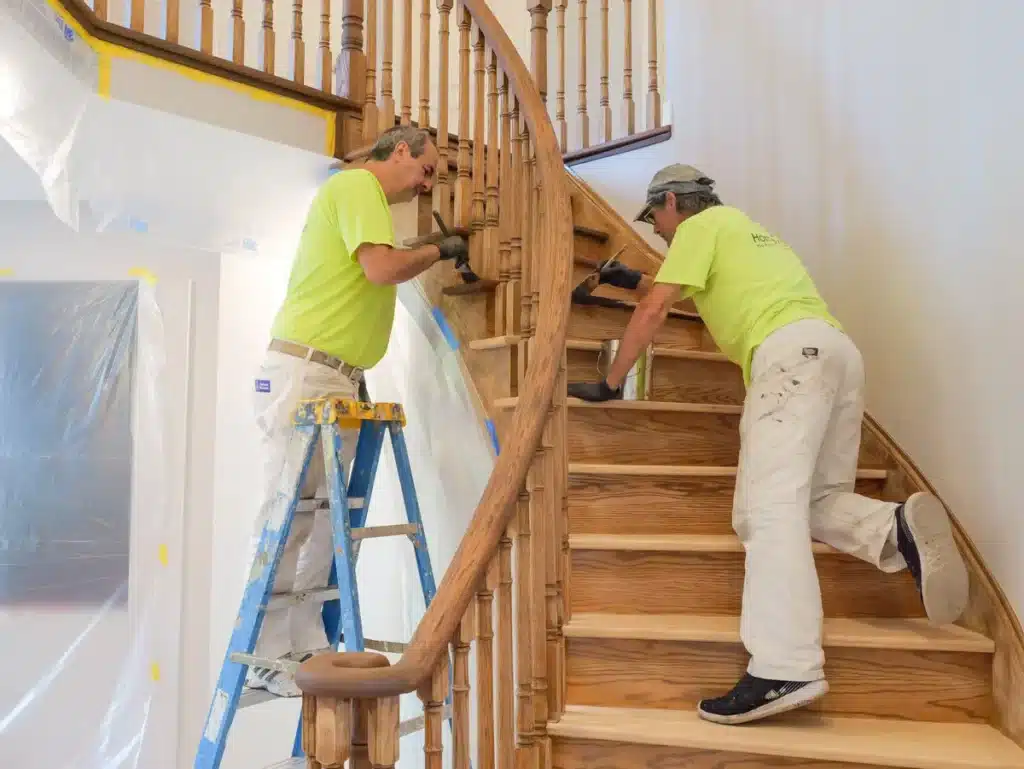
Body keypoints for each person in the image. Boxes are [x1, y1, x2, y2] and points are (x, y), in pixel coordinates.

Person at [567, 164, 969, 725]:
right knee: (816, 500)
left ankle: (786, 665)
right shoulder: (745, 231)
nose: (655, 229)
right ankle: (892, 530)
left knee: (765, 511)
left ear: (675, 202)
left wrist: (610, 385)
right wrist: (632, 283)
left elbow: (656, 308)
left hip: (788, 361)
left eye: (655, 216)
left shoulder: (699, 231)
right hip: (833, 353)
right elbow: (693, 296)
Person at [244, 125, 469, 697]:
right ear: (399, 151)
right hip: (308, 372)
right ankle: (265, 655)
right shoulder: (357, 188)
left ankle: (304, 645)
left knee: (324, 518)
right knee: (292, 512)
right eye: (425, 170)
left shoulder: (366, 201)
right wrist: (438, 250)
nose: (425, 184)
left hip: (336, 378)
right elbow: (380, 268)